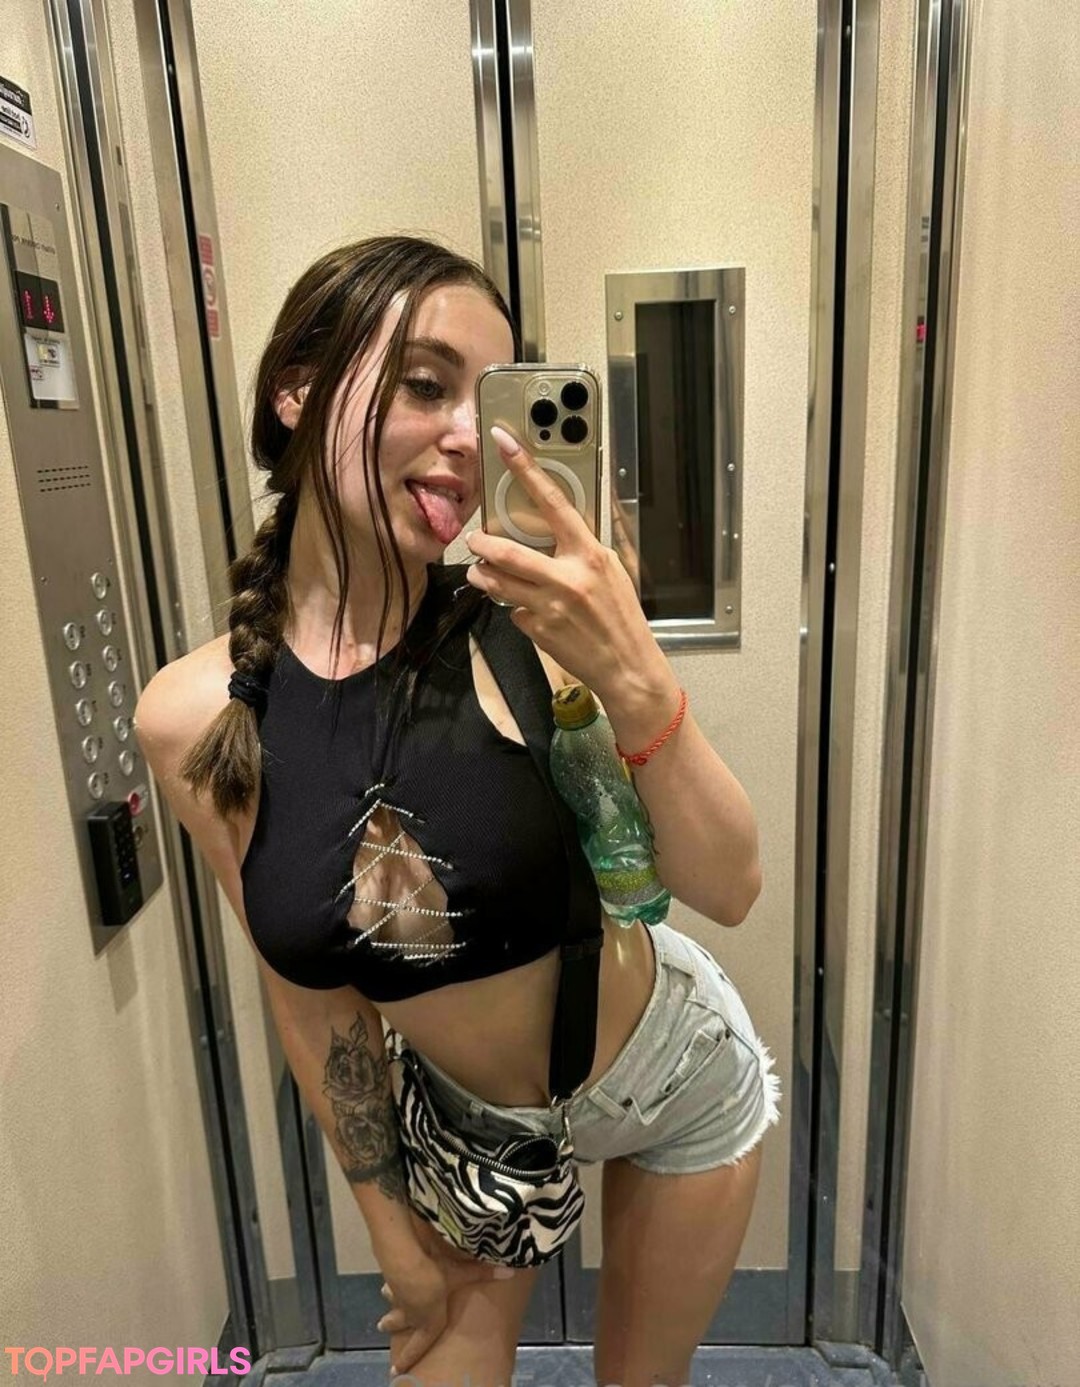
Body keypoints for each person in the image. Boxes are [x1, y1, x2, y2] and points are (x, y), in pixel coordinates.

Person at [134, 234, 781, 1387]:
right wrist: (391, 1236)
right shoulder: (198, 717)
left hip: (673, 1067)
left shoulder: (522, 616)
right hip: (473, 1127)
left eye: (484, 399)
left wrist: (633, 669)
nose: (467, 438)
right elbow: (309, 1000)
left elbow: (729, 885)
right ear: (296, 392)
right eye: (426, 385)